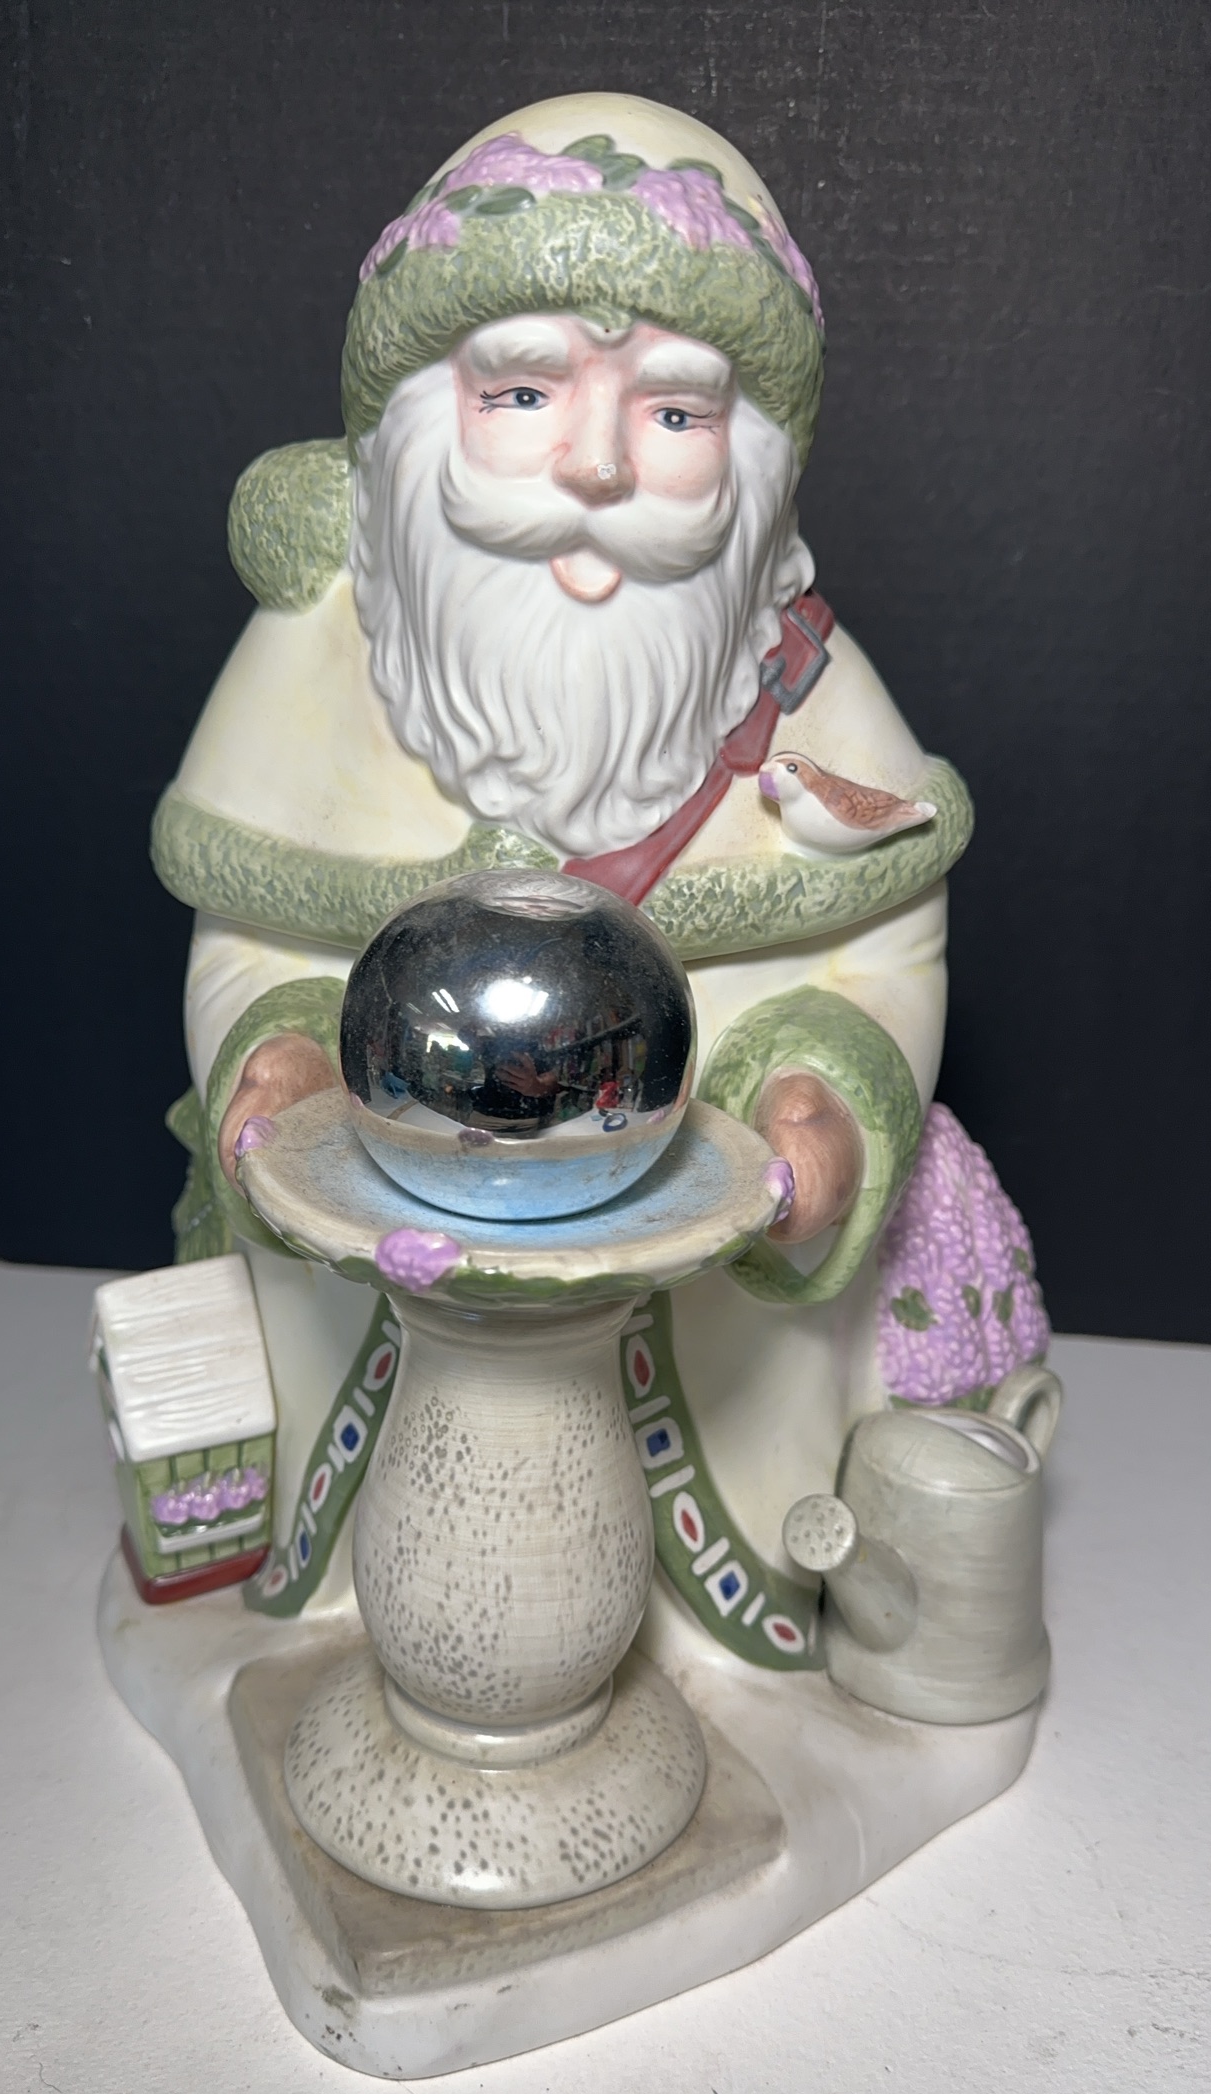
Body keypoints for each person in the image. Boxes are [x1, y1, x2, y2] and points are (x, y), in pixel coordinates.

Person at [155, 94, 1047, 1649]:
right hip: (387, 1250)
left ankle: (705, 1618)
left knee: (739, 1475)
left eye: (674, 417)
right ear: (414, 422)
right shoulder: (315, 664)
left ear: (754, 464)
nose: (591, 467)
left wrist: (816, 1104)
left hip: (709, 1302)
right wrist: (278, 1053)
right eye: (520, 392)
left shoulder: (800, 687)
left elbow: (884, 950)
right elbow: (251, 936)